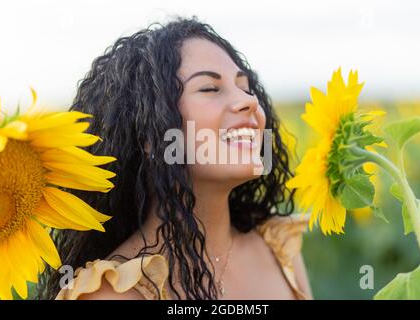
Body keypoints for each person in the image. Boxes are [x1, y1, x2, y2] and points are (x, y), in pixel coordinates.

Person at [39, 16, 312, 300]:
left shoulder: (279, 249)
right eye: (209, 88)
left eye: (245, 87)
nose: (250, 101)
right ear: (150, 134)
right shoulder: (111, 293)